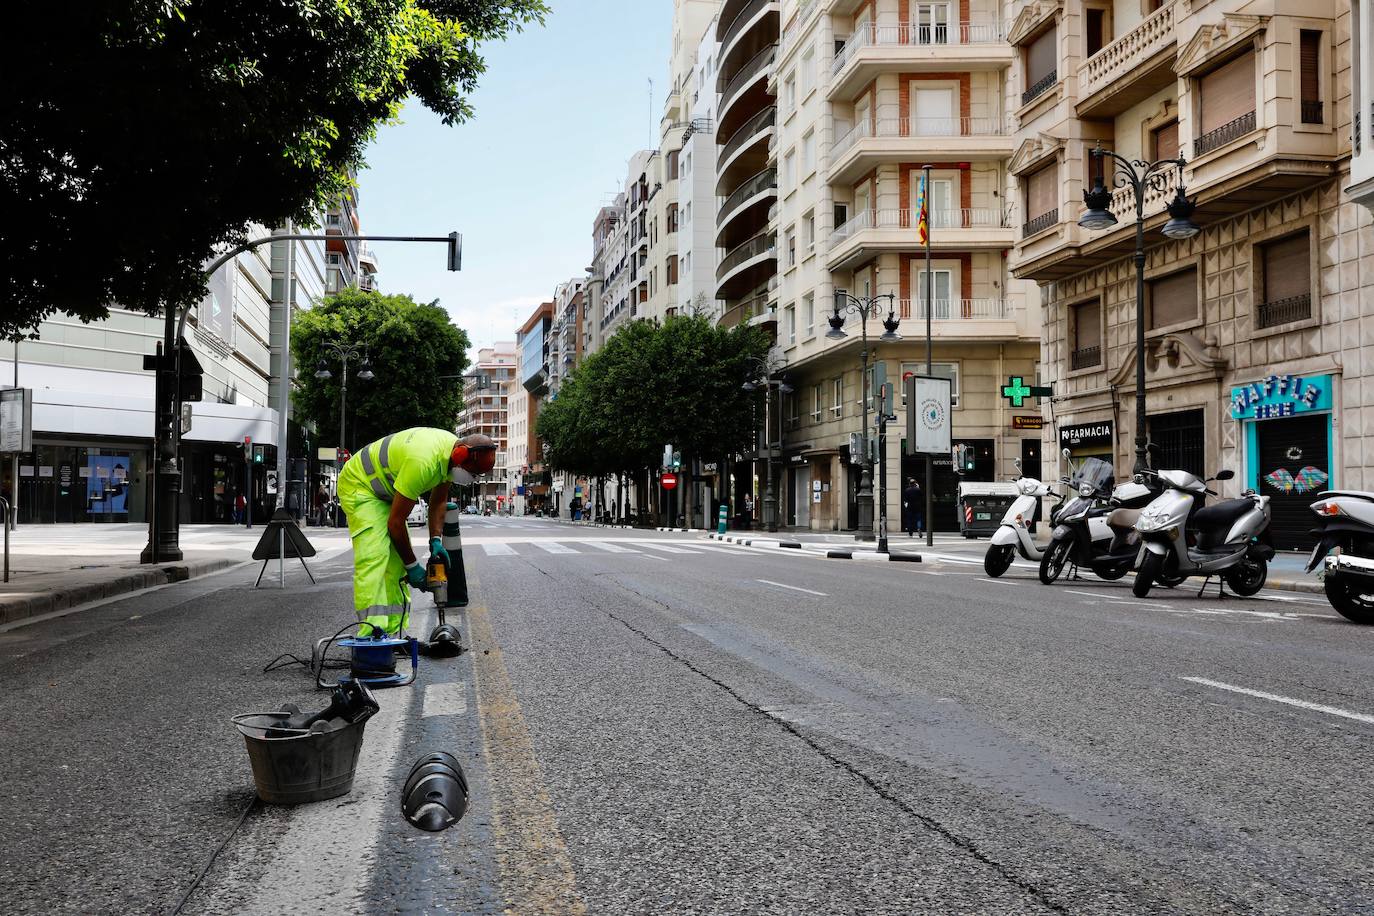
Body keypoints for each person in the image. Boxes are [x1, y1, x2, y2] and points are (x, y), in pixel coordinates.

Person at [337, 428, 497, 638]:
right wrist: (413, 567)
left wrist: (436, 541)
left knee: (396, 566)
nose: (472, 479)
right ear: (460, 454)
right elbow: (396, 524)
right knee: (375, 558)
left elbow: (438, 501)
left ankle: (394, 635)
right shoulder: (423, 461)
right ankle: (370, 640)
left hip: (386, 492)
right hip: (360, 486)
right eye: (473, 473)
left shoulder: (449, 454)